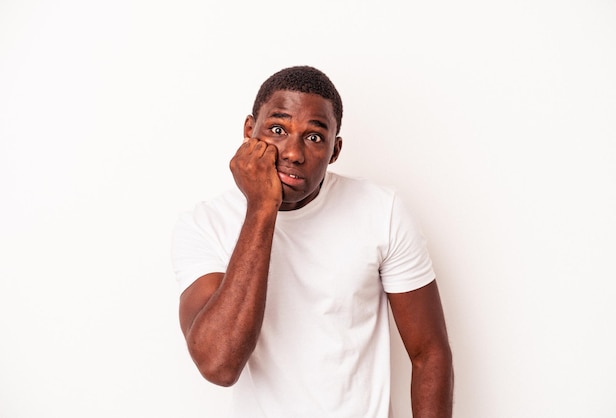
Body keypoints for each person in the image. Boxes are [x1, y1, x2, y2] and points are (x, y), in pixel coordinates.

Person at [171, 65, 453, 418]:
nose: (293, 152)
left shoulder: (383, 210)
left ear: (334, 151)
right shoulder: (204, 224)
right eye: (277, 129)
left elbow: (429, 353)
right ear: (249, 131)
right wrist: (262, 207)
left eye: (314, 137)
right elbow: (219, 365)